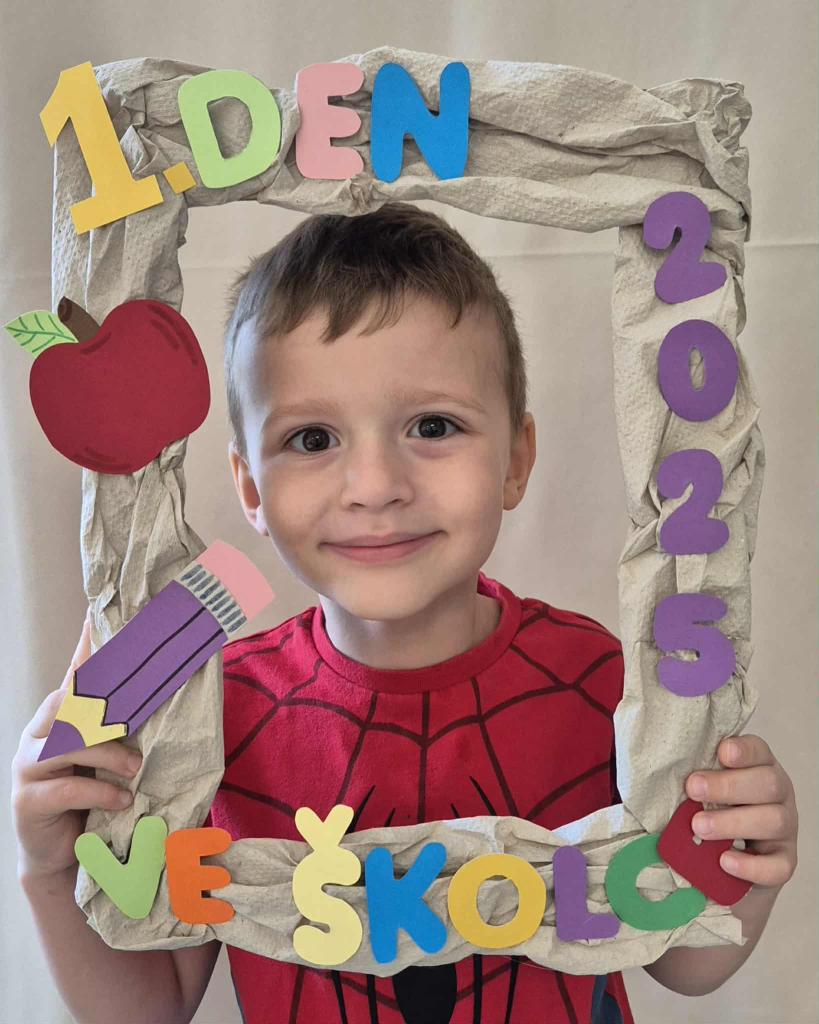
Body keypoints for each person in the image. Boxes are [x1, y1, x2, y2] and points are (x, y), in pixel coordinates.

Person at [12, 203, 798, 1024]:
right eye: (312, 439)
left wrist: (747, 858)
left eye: (432, 425)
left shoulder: (606, 681)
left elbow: (685, 961)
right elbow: (147, 1009)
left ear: (514, 459)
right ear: (250, 487)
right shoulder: (204, 710)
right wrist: (47, 869)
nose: (375, 486)